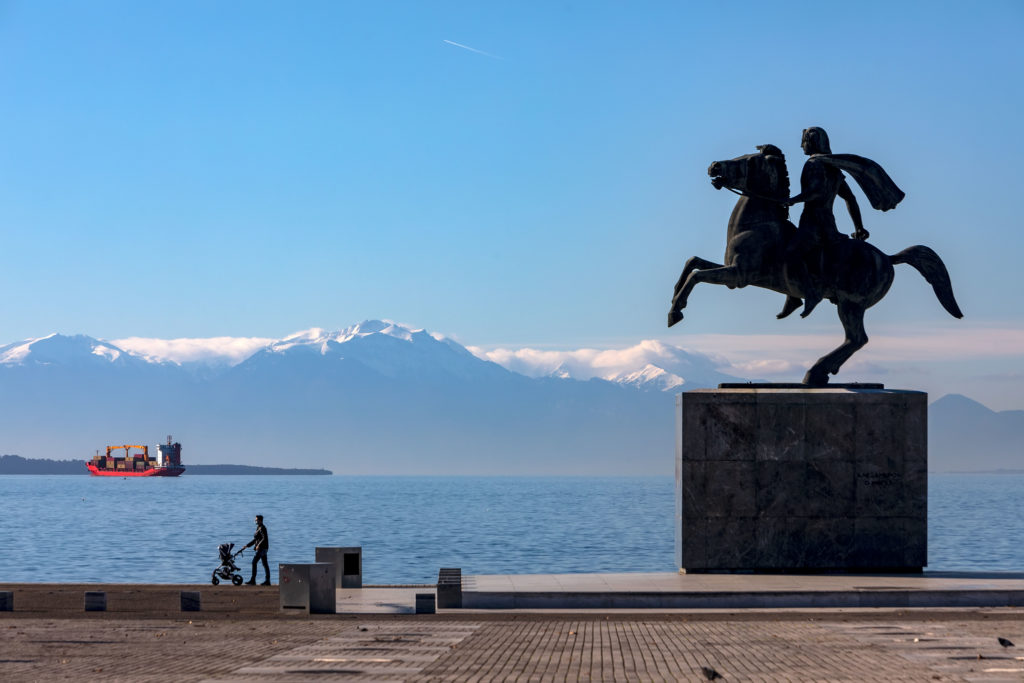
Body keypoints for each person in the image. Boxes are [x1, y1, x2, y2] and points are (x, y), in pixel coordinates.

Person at [784, 126, 905, 318]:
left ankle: (808, 294)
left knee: (789, 254)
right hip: (827, 223)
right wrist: (859, 226)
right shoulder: (832, 167)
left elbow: (815, 192)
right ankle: (794, 297)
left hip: (813, 224)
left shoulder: (814, 164)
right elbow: (850, 198)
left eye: (803, 142)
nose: (801, 146)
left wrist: (793, 200)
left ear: (812, 142)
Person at [243, 514, 271, 586]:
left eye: (256, 520)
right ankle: (267, 581)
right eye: (255, 520)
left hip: (262, 548)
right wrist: (247, 545)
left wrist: (258, 545)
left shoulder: (262, 528)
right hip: (263, 548)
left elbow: (264, 538)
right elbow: (255, 539)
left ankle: (253, 580)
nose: (255, 521)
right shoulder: (258, 527)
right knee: (265, 564)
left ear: (260, 520)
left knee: (254, 562)